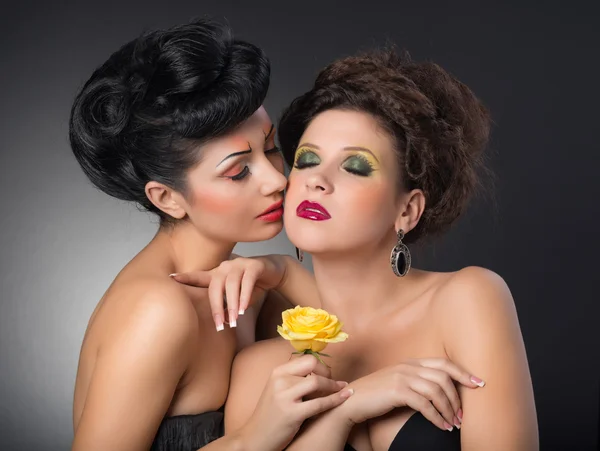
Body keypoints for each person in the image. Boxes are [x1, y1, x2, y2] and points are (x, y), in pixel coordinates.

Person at [176, 48, 539, 450]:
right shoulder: (261, 369)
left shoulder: (467, 299)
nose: (317, 180)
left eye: (355, 167)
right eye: (308, 160)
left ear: (407, 210)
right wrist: (348, 409)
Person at [68, 17, 350, 451]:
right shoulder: (157, 310)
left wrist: (281, 271)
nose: (277, 179)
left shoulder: (247, 286)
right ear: (167, 198)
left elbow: (364, 348)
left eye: (271, 147)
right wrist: (253, 437)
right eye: (238, 171)